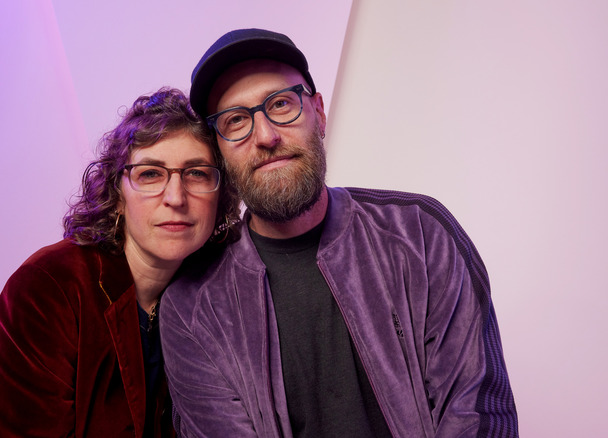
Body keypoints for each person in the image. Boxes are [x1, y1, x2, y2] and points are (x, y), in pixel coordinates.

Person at [160, 29, 518, 437]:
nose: (265, 136)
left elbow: (477, 412)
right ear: (219, 150)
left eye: (281, 104)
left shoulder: (420, 235)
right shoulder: (194, 310)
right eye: (236, 120)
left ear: (319, 112)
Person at [0, 88, 240, 437]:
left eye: (196, 173)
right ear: (117, 196)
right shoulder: (47, 288)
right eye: (150, 174)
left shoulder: (208, 294)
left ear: (220, 194)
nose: (176, 197)